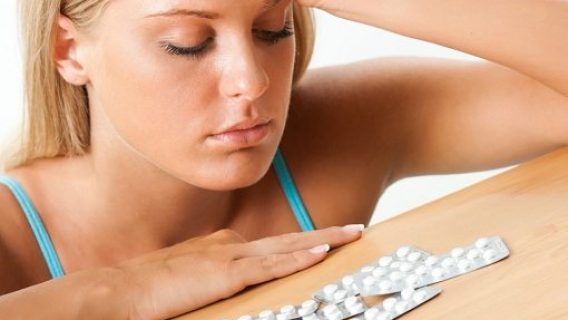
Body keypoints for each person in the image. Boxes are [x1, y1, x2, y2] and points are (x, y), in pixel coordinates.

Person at [0, 0, 566, 318]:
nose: (253, 81)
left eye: (274, 29)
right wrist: (111, 294)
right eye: (188, 42)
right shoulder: (12, 235)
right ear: (69, 51)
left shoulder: (339, 130)